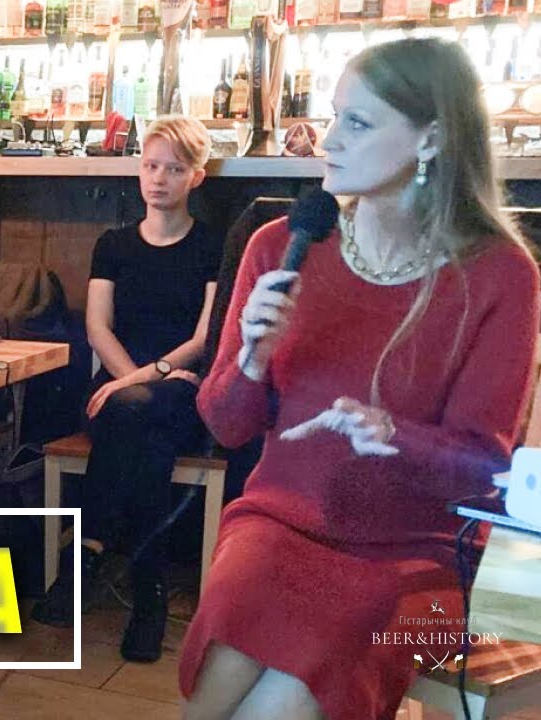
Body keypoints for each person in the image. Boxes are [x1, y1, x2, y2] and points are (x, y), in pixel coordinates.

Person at [179, 38, 540, 720]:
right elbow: (226, 426)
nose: (328, 139)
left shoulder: (501, 274)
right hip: (279, 522)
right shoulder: (279, 245)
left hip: (421, 553)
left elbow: (487, 466)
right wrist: (252, 358)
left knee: (295, 685)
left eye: (358, 122)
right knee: (238, 630)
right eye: (334, 115)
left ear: (431, 138)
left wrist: (392, 434)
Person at [30, 116, 222, 664]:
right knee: (138, 419)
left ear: (197, 177)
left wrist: (145, 377)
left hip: (180, 384)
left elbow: (203, 338)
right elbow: (98, 327)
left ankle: (87, 552)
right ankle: (149, 590)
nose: (159, 178)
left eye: (174, 169)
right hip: (119, 384)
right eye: (150, 165)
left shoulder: (211, 246)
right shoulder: (114, 244)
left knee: (139, 415)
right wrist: (131, 379)